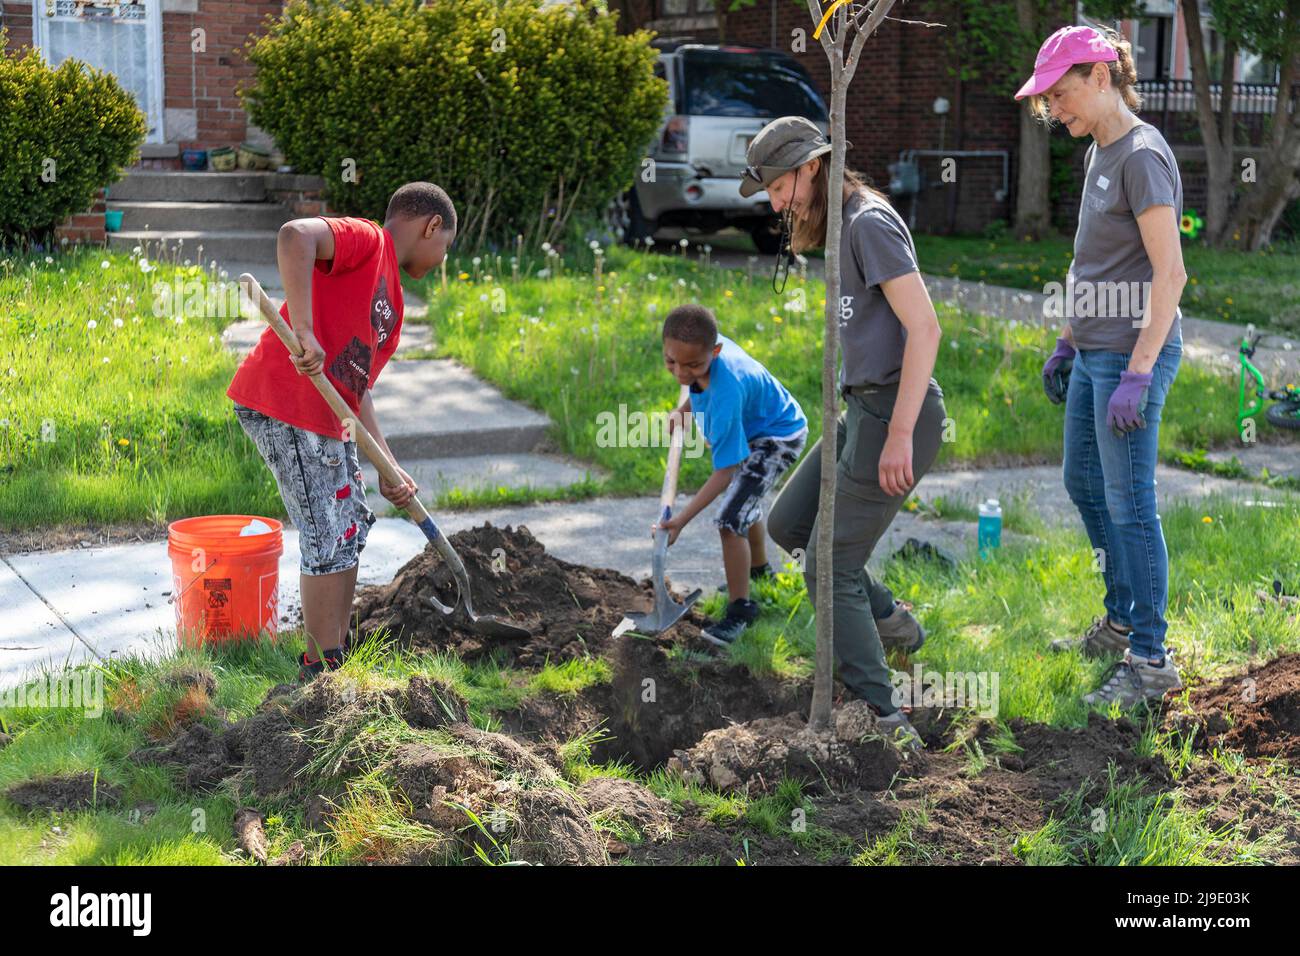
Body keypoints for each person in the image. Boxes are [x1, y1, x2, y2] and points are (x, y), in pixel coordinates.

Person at [741, 116, 947, 749]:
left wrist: (899, 433)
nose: (776, 204)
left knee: (829, 566)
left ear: (811, 167)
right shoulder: (838, 224)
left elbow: (927, 329)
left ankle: (883, 716)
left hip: (897, 416)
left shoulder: (868, 223)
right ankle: (893, 623)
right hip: (861, 411)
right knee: (786, 528)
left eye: (779, 188)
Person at [227, 182, 457, 680]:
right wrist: (305, 329)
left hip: (331, 417)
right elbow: (294, 237)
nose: (442, 260)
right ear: (431, 227)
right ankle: (319, 667)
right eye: (446, 247)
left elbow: (358, 390)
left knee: (352, 526)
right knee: (327, 535)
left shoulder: (391, 313)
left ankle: (335, 651)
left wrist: (387, 467)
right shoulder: (368, 241)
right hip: (286, 403)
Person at [1019, 26, 1187, 707]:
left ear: (1101, 76)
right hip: (1094, 350)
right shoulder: (1100, 153)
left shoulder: (1144, 156)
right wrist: (1067, 339)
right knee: (1084, 486)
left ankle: (1151, 659)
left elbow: (1170, 273)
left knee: (1130, 503)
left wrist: (1140, 373)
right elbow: (1090, 263)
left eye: (1061, 94)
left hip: (1131, 354)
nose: (1055, 109)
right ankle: (1120, 621)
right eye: (1049, 99)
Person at [655, 304, 808, 645]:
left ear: (716, 351)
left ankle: (741, 610)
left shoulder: (726, 391)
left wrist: (680, 520)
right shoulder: (700, 349)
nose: (680, 372)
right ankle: (758, 570)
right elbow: (696, 383)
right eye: (671, 361)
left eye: (692, 365)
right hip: (758, 422)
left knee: (729, 520)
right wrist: (683, 410)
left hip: (777, 438)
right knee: (743, 500)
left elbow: (724, 471)